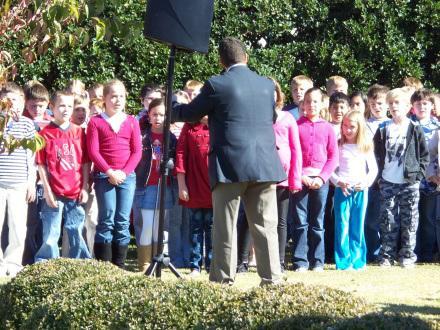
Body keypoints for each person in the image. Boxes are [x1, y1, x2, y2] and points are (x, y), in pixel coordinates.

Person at [172, 37, 286, 285]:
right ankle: (272, 281)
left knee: (225, 227)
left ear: (221, 61)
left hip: (229, 165)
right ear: (246, 57)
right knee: (266, 227)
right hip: (265, 164)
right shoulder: (267, 85)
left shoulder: (216, 84)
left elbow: (191, 114)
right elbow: (272, 119)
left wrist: (174, 106)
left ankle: (223, 282)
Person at [87, 79, 142, 268]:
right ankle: (104, 266)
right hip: (104, 176)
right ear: (105, 99)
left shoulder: (132, 122)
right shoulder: (96, 122)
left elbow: (137, 151)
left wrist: (124, 173)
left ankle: (119, 264)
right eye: (113, 96)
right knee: (107, 218)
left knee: (123, 220)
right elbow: (93, 151)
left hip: (126, 177)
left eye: (121, 96)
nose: (117, 100)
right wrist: (110, 172)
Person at [373, 88, 429, 268]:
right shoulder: (383, 129)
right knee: (387, 219)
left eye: (398, 103)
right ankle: (386, 256)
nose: (393, 106)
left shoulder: (415, 128)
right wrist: (379, 177)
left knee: (410, 220)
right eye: (391, 103)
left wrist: (418, 176)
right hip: (388, 181)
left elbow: (424, 156)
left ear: (407, 107)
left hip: (409, 182)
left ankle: (407, 255)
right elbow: (375, 154)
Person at [34, 90, 91, 263]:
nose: (65, 110)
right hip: (54, 192)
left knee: (75, 230)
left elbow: (85, 163)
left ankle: (80, 264)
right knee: (51, 233)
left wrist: (85, 187)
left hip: (75, 192)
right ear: (52, 107)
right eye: (61, 106)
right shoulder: (45, 133)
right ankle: (46, 264)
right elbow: (41, 165)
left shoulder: (79, 132)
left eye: (69, 106)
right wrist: (48, 191)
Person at [291, 87, 338, 272]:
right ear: (303, 104)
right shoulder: (296, 125)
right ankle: (300, 261)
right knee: (300, 222)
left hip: (321, 181)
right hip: (300, 179)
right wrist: (301, 176)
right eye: (308, 101)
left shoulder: (327, 127)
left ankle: (317, 261)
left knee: (318, 222)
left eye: (315, 101)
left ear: (322, 104)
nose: (311, 105)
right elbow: (293, 155)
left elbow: (333, 156)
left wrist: (322, 177)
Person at [330, 111, 378, 270]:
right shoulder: (338, 144)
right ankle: (343, 262)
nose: (347, 130)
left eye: (352, 127)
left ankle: (358, 261)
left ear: (359, 128)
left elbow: (373, 170)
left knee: (357, 225)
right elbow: (330, 169)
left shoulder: (365, 146)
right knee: (342, 226)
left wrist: (365, 183)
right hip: (342, 190)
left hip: (360, 190)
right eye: (344, 126)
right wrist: (338, 182)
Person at [133, 98, 176, 272]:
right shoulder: (142, 136)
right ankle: (144, 263)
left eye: (162, 115)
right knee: (149, 224)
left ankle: (159, 261)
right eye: (154, 114)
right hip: (146, 186)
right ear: (148, 116)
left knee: (161, 227)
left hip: (164, 186)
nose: (158, 118)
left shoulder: (171, 138)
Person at [0, 82, 36, 276]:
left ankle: (13, 263)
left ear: (22, 102)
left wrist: (31, 182)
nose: (10, 103)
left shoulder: (27, 124)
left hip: (19, 183)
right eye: (6, 99)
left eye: (14, 99)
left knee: (17, 225)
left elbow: (31, 157)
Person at [271, 79, 302, 272]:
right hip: (261, 177)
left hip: (282, 178)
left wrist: (295, 178)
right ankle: (243, 261)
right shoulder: (256, 117)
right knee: (253, 221)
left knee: (281, 221)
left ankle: (281, 261)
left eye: (273, 91)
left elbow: (296, 149)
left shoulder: (288, 117)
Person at [176, 113, 212, 276]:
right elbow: (181, 154)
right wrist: (182, 184)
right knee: (195, 226)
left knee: (213, 227)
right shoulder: (189, 127)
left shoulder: (218, 124)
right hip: (194, 184)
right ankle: (195, 265)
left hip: (214, 185)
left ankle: (212, 264)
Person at [410, 89, 440, 262]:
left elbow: (436, 155)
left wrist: (434, 175)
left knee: (428, 219)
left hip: (432, 182)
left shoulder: (437, 128)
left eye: (425, 103)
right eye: (418, 104)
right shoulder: (407, 126)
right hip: (411, 181)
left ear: (431, 106)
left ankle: (427, 254)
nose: (422, 107)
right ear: (412, 107)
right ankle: (412, 252)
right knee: (411, 220)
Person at [364, 84, 390, 263]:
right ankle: (373, 253)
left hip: (390, 178)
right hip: (370, 180)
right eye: (373, 103)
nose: (377, 107)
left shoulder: (393, 124)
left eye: (380, 103)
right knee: (371, 219)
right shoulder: (364, 126)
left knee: (390, 219)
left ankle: (389, 253)